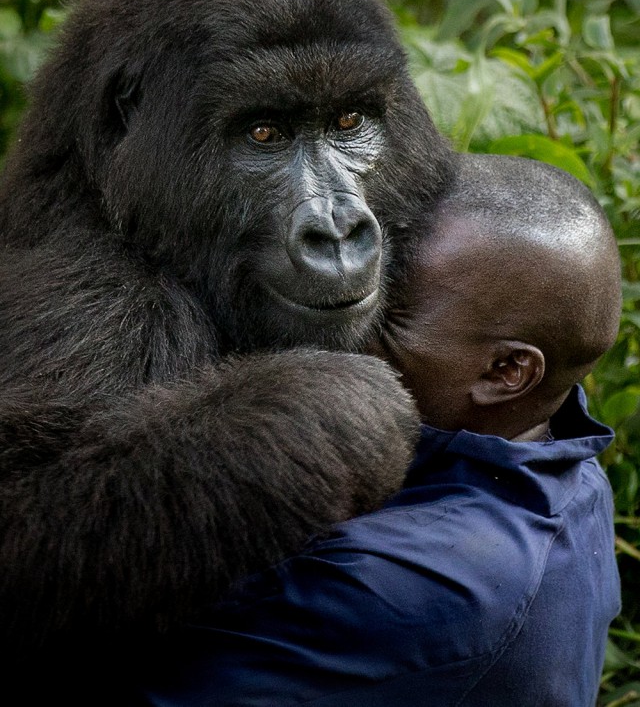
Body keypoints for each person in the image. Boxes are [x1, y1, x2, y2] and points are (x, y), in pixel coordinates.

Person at [135, 154, 622, 706]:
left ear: (505, 372)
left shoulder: (408, 585)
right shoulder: (550, 445)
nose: (328, 322)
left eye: (379, 309)